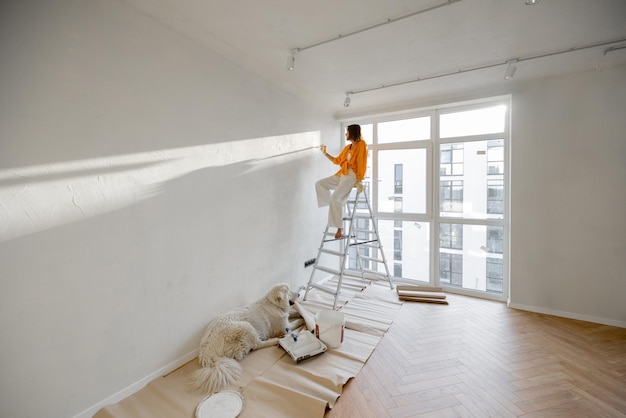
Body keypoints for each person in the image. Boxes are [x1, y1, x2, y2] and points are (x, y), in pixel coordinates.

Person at [316, 124, 368, 239]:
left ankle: (340, 229)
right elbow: (336, 161)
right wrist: (325, 153)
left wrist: (359, 179)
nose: (346, 134)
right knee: (320, 184)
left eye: (347, 132)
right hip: (342, 173)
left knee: (336, 198)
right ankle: (330, 204)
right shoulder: (347, 148)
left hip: (352, 175)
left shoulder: (361, 144)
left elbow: (361, 162)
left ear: (352, 133)